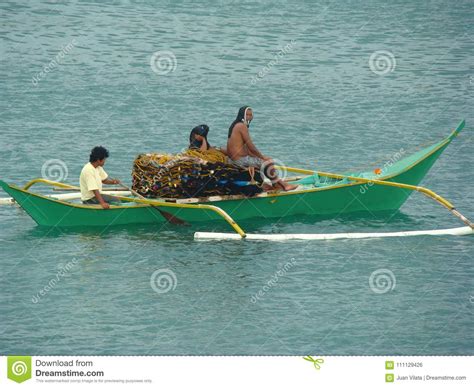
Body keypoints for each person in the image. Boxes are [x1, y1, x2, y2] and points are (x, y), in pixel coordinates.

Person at [226, 106, 297, 191]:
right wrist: (262, 157)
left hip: (234, 159)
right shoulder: (242, 126)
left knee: (267, 160)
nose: (249, 117)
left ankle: (276, 184)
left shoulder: (235, 125)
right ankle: (283, 185)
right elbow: (251, 146)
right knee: (267, 162)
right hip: (239, 160)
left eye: (250, 115)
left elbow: (246, 149)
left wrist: (260, 157)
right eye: (247, 115)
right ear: (242, 115)